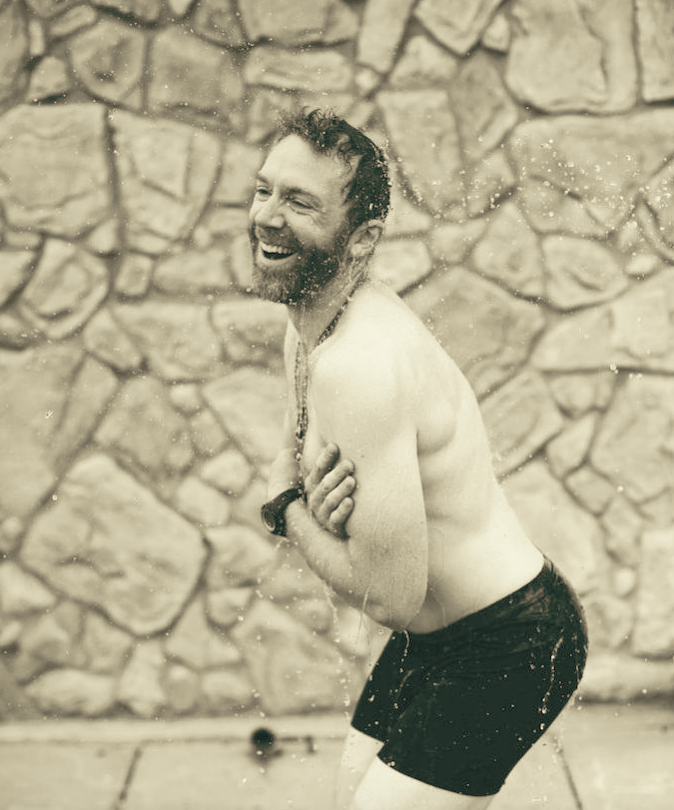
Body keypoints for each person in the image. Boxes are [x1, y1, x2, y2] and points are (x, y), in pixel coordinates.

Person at [251, 108, 588, 810]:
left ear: (361, 238)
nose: (267, 217)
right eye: (264, 190)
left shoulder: (361, 363)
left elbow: (390, 597)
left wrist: (287, 510)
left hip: (511, 642)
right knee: (353, 797)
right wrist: (313, 501)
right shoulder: (309, 324)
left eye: (300, 202)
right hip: (438, 642)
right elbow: (299, 455)